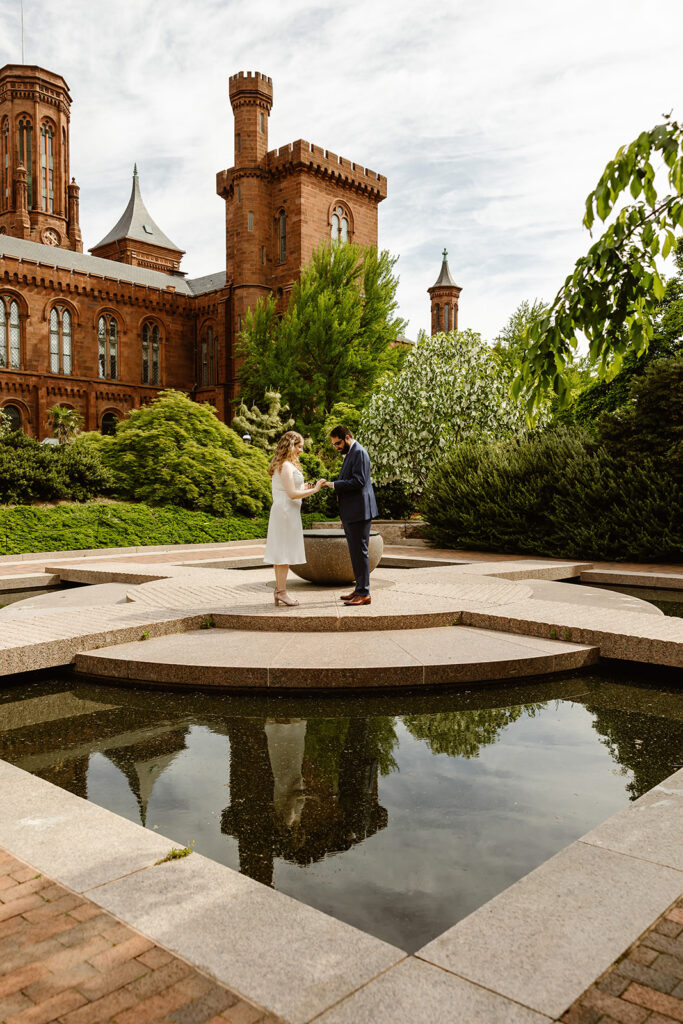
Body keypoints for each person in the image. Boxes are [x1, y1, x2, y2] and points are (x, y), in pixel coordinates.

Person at [264, 430, 324, 607]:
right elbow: (291, 494)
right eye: (299, 446)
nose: (301, 450)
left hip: (285, 511)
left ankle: (279, 590)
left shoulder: (284, 465)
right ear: (291, 445)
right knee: (283, 554)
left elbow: (290, 488)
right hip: (285, 513)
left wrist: (305, 486)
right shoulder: (286, 466)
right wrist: (315, 489)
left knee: (281, 553)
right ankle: (282, 592)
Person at [323, 425, 378, 606]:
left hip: (360, 511)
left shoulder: (359, 452)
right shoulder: (351, 453)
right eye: (334, 445)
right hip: (352, 511)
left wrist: (334, 485)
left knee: (360, 551)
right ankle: (359, 588)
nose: (336, 447)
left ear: (347, 437)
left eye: (337, 443)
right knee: (355, 552)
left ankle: (364, 593)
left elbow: (359, 481)